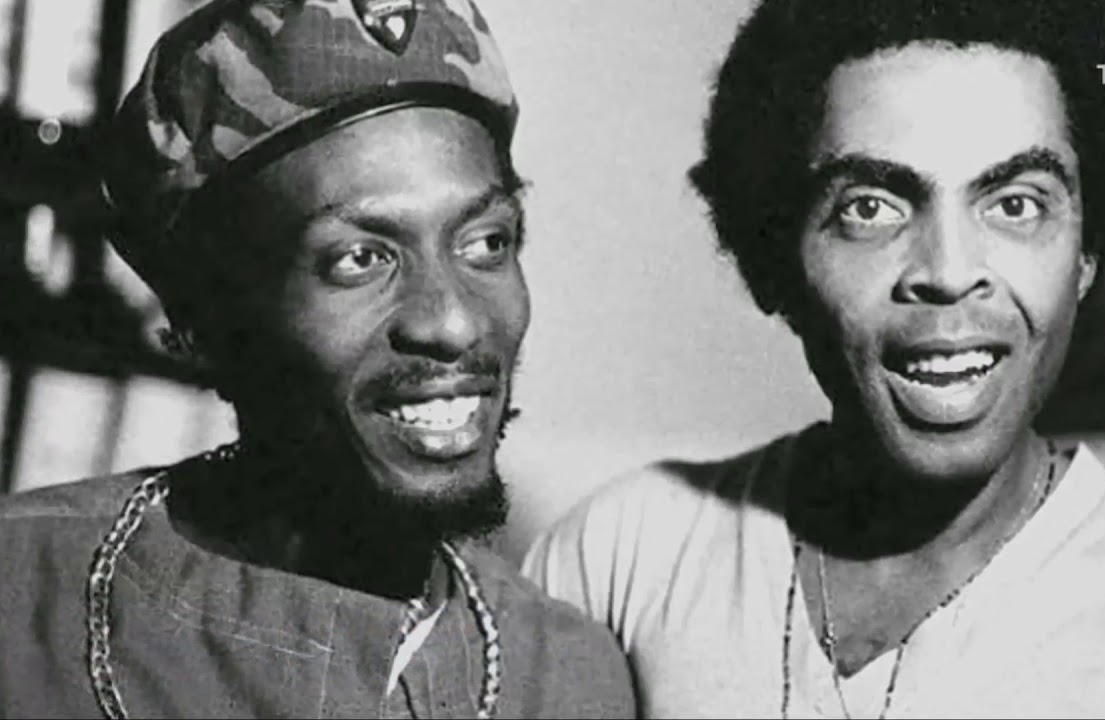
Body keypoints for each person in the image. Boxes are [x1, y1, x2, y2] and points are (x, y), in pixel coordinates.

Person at [522, 0, 1105, 717]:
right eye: (870, 208)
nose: (948, 272)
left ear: (1086, 253)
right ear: (775, 261)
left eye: (1016, 204)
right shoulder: (622, 561)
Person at [0, 1, 635, 717]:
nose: (453, 322)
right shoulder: (20, 601)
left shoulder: (566, 680)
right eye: (360, 258)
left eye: (487, 242)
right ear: (203, 317)